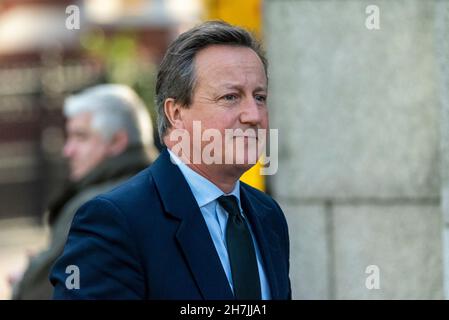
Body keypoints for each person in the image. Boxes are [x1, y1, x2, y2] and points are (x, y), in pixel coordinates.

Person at [50, 21, 291, 300]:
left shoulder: (267, 215)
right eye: (230, 97)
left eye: (259, 97)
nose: (254, 115)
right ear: (176, 114)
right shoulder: (115, 222)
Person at [10, 84, 157, 299]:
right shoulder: (163, 189)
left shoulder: (94, 206)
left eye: (80, 137)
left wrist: (25, 278)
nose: (67, 150)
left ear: (117, 141)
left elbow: (43, 291)